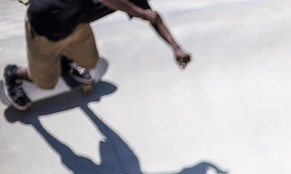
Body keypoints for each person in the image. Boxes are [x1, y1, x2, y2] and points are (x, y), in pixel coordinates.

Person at [3, 0, 191, 111]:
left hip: (77, 26)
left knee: (90, 62)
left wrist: (176, 47)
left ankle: (67, 60)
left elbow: (152, 17)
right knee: (45, 81)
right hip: (46, 30)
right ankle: (14, 74)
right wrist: (138, 12)